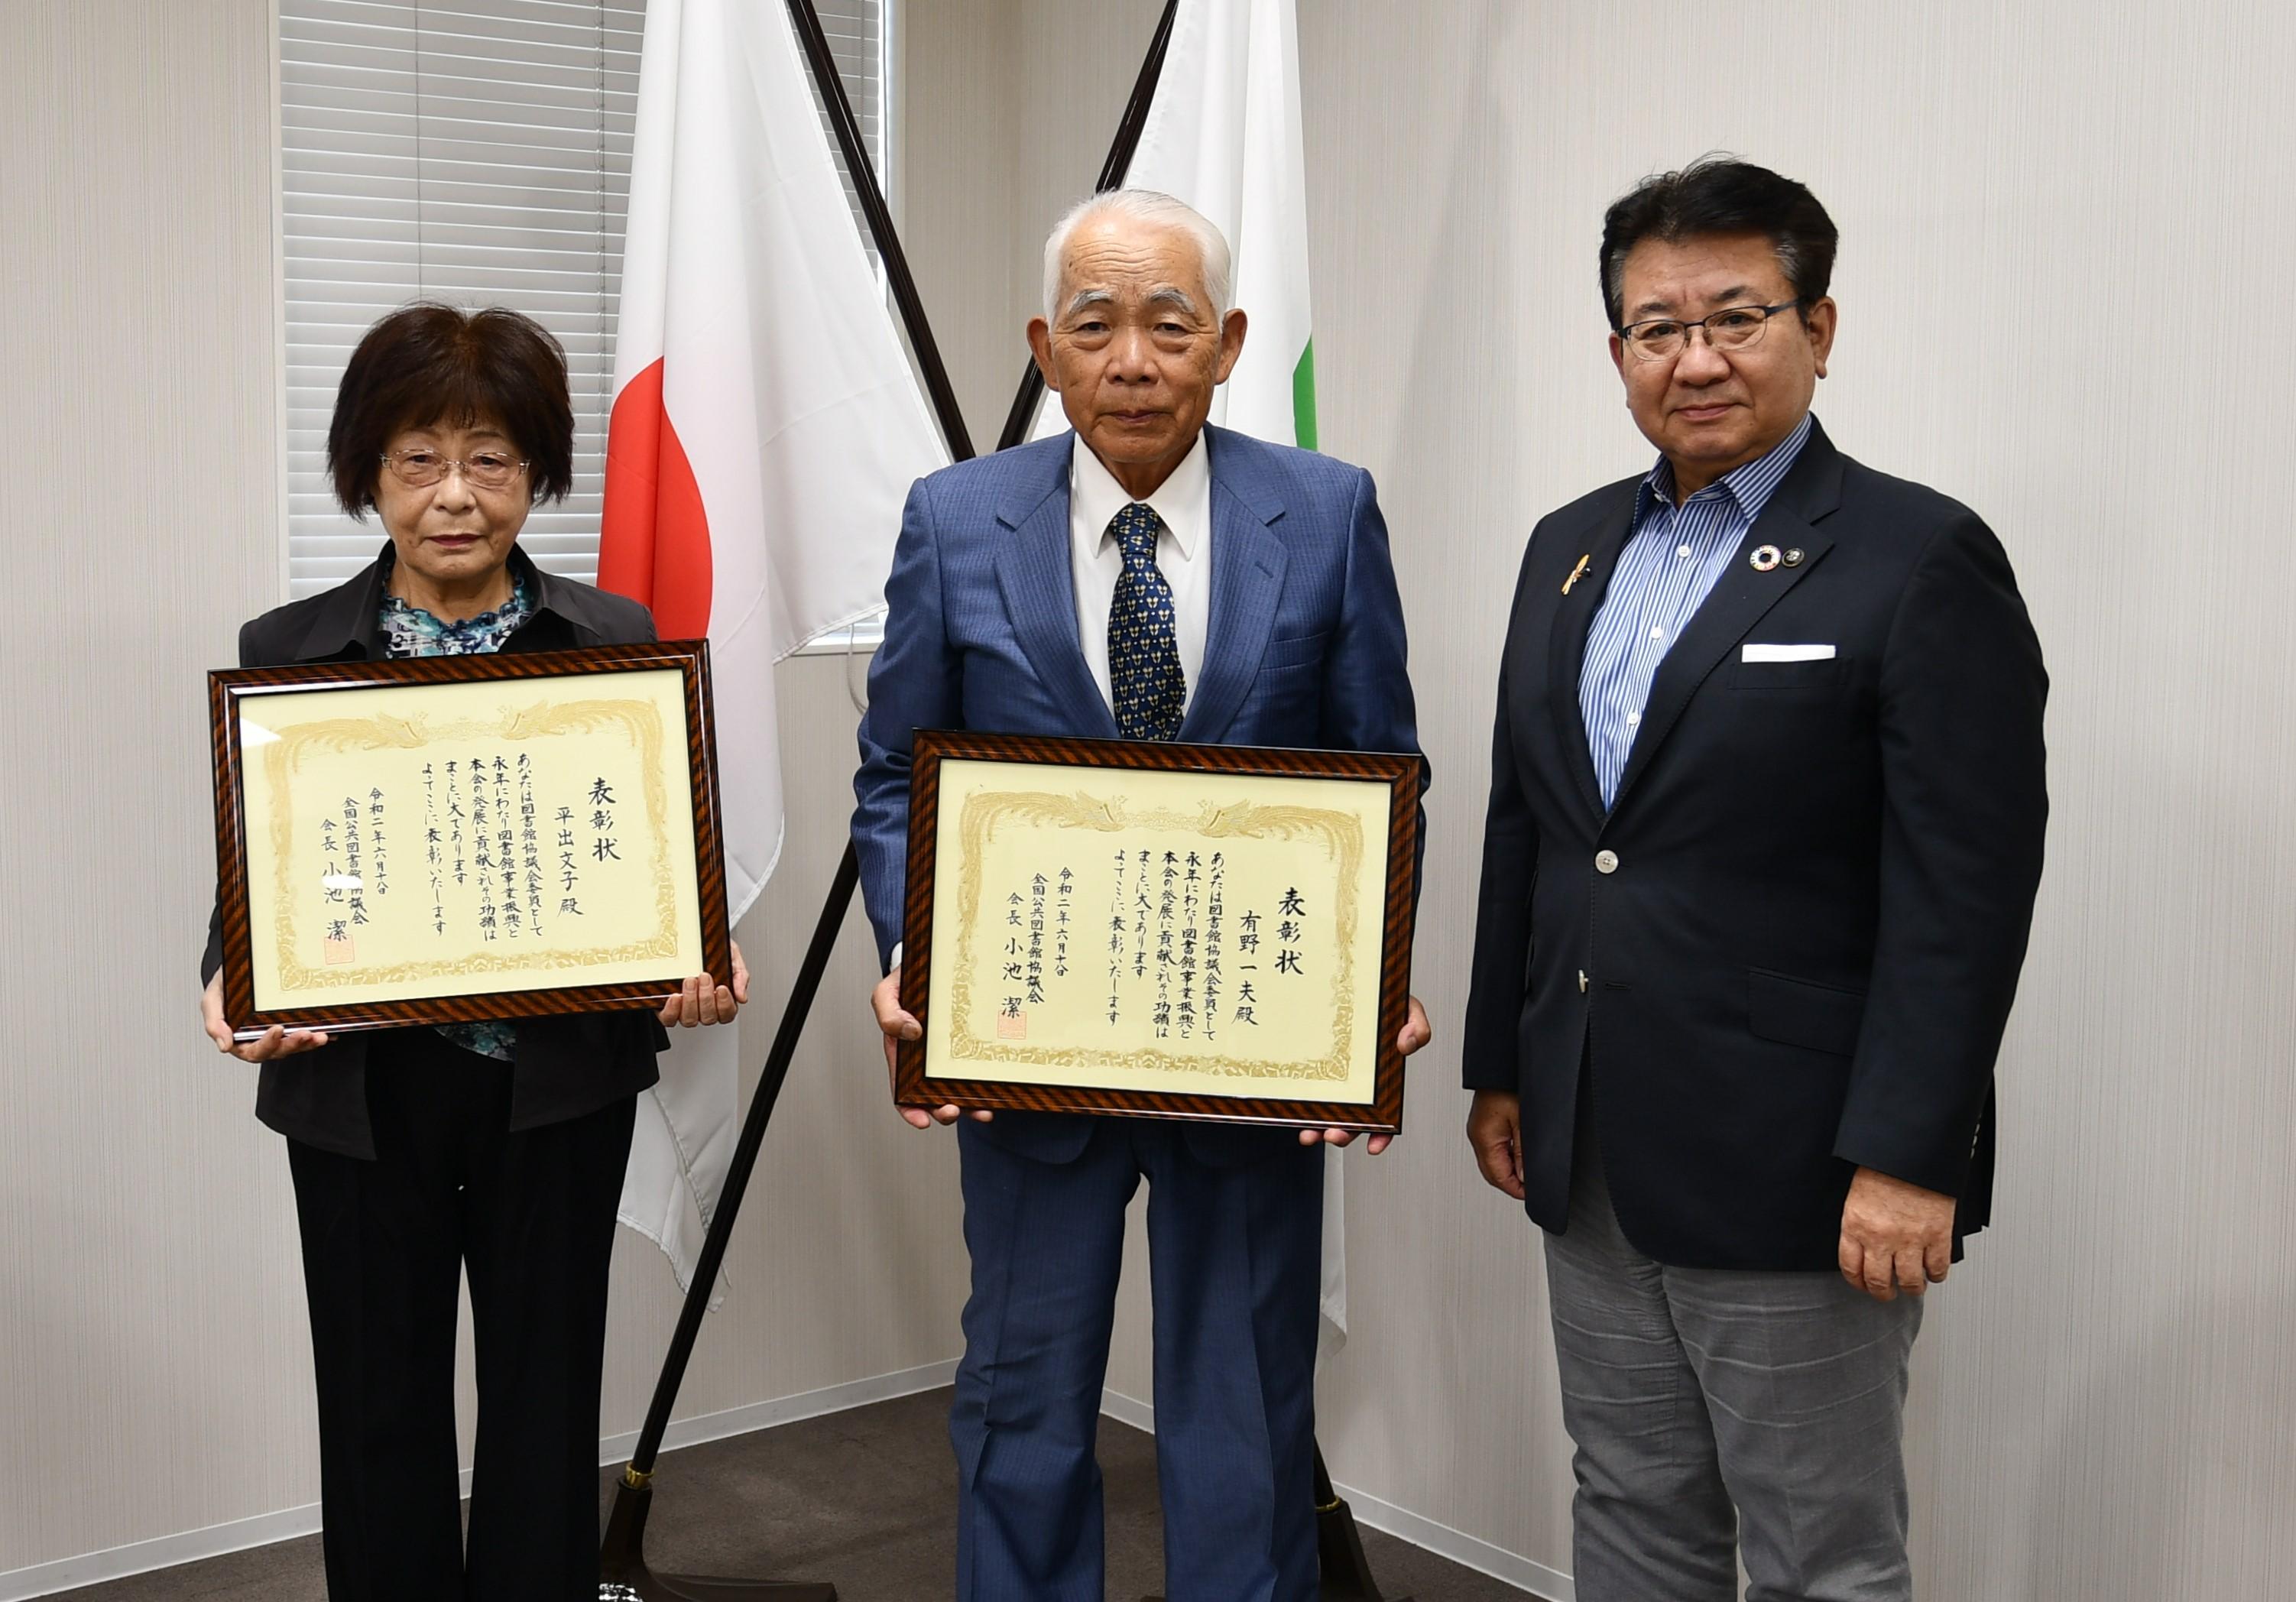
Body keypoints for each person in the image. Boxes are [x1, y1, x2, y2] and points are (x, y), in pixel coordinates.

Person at [1461, 158, 2046, 1601]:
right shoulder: (1569, 550)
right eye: (1657, 328)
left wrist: (1914, 1152)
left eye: (1738, 315)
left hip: (1804, 1165)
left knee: (1819, 1554)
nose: (1698, 358)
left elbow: (1965, 888)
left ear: (1820, 327)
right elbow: (1530, 827)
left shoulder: (1919, 559)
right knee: (1632, 1507)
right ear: (1617, 354)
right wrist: (1502, 1063)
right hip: (1590, 1141)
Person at [851, 190, 1430, 1600]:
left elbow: (1380, 769)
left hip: (1246, 1054)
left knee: (1244, 1412)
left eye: (1170, 325)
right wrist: (920, 961)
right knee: (1023, 1403)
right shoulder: (953, 518)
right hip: (1030, 1052)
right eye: (1096, 325)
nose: (1132, 360)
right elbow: (892, 774)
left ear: (1227, 345)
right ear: (1046, 348)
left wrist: (1369, 979)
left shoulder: (1330, 508)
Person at [197, 303, 747, 1600]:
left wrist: (698, 960)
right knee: (378, 1406)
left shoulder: (615, 641)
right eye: (417, 460)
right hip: (360, 1093)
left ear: (536, 471)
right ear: (368, 475)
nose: (455, 496)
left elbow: (666, 860)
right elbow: (256, 870)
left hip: (553, 1088)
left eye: (491, 458)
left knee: (545, 1406)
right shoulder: (290, 648)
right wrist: (229, 974)